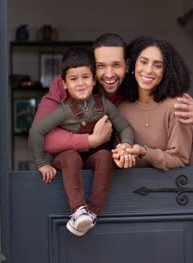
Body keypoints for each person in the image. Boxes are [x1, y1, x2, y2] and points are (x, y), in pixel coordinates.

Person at [32, 33, 193, 173]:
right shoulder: (70, 85)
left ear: (127, 66)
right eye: (101, 66)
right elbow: (38, 136)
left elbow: (177, 130)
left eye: (116, 65)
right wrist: (91, 140)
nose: (109, 74)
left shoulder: (141, 90)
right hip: (69, 173)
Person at [29, 47, 134, 236]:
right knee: (71, 157)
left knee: (105, 156)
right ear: (64, 83)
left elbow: (124, 127)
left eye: (85, 77)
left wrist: (126, 144)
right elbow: (37, 130)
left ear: (94, 80)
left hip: (92, 158)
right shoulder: (63, 110)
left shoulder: (104, 104)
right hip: (67, 159)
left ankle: (92, 212)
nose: (80, 84)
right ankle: (78, 210)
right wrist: (42, 163)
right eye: (73, 79)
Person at [113, 37, 193, 170]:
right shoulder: (122, 109)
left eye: (157, 65)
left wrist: (145, 153)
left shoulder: (177, 106)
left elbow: (180, 160)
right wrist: (121, 155)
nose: (148, 70)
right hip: (129, 187)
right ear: (133, 65)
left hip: (174, 187)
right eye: (144, 62)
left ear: (166, 72)